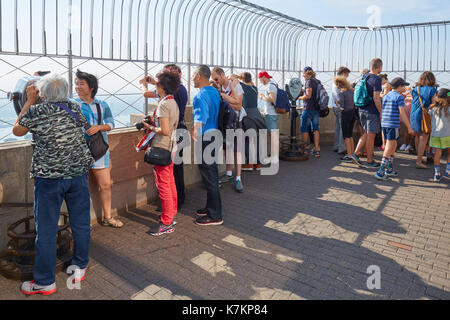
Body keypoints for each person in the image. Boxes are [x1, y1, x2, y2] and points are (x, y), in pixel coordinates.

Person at [13, 73, 94, 296]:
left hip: (49, 179)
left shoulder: (37, 111)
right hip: (78, 174)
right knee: (81, 224)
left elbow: (17, 130)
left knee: (46, 231)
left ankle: (44, 282)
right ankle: (80, 266)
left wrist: (29, 101)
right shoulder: (75, 107)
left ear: (42, 92)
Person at [75, 70, 122, 228]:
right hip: (78, 151)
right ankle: (81, 222)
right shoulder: (73, 104)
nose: (77, 87)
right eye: (76, 83)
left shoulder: (102, 105)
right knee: (78, 188)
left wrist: (99, 127)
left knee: (105, 184)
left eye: (81, 84)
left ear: (91, 87)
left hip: (99, 149)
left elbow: (111, 124)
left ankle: (108, 217)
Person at [140, 64, 188, 210]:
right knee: (176, 169)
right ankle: (178, 200)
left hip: (170, 133)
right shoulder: (182, 89)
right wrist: (156, 83)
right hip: (180, 129)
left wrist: (143, 84)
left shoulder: (168, 98)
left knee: (170, 173)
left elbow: (146, 94)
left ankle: (172, 204)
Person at [141, 72, 180, 235]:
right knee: (170, 182)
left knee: (163, 185)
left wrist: (148, 127)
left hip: (162, 147)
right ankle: (171, 214)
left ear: (163, 87)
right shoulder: (172, 101)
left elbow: (164, 130)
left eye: (157, 84)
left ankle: (167, 222)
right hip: (171, 147)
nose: (155, 86)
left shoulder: (164, 105)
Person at [192, 65, 223, 226]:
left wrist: (194, 133)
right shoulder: (214, 92)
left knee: (209, 177)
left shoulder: (199, 96)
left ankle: (215, 215)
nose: (191, 78)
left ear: (198, 76)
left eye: (193, 75)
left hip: (205, 137)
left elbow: (200, 119)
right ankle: (210, 207)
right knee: (212, 174)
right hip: (215, 134)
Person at [212, 67, 246, 193]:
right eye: (214, 80)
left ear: (222, 75)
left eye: (216, 79)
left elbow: (239, 105)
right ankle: (229, 173)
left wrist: (225, 101)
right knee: (228, 149)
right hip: (226, 122)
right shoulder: (220, 87)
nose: (215, 81)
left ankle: (238, 178)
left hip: (237, 122)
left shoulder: (236, 85)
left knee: (237, 151)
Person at [375, 78, 414, 181]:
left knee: (393, 145)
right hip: (393, 124)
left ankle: (389, 169)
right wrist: (409, 126)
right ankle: (381, 171)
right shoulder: (399, 97)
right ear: (400, 86)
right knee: (390, 146)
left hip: (385, 123)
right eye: (404, 86)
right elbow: (402, 113)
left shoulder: (387, 95)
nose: (405, 88)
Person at [352, 58, 384, 168]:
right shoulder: (377, 79)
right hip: (372, 111)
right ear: (379, 67)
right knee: (371, 136)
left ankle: (355, 154)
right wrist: (381, 112)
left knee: (365, 133)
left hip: (361, 109)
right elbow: (376, 97)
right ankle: (370, 161)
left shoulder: (364, 77)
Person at [238, 72, 266, 171]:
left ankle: (249, 164)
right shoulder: (255, 88)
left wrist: (239, 77)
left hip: (248, 115)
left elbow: (232, 78)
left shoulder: (243, 87)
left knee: (247, 139)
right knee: (257, 139)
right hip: (256, 115)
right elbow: (251, 83)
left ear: (242, 79)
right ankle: (257, 164)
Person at [410, 71, 438, 169]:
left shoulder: (416, 89)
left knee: (418, 136)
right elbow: (434, 104)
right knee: (424, 137)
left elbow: (414, 99)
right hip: (424, 115)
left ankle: (419, 158)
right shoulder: (433, 90)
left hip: (414, 113)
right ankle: (419, 161)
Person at [428, 88, 450, 181]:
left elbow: (430, 119)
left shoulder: (432, 108)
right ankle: (448, 172)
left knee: (437, 153)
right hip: (447, 134)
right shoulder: (449, 109)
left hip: (435, 134)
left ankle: (437, 174)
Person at [299, 67, 321, 158]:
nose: (302, 75)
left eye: (303, 73)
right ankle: (316, 149)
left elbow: (308, 96)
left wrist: (299, 97)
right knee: (315, 129)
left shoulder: (309, 81)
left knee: (304, 129)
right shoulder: (317, 81)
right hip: (316, 109)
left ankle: (305, 148)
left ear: (307, 73)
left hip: (308, 109)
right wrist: (304, 90)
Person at [258, 71, 279, 164]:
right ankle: (274, 156)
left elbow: (272, 99)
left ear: (263, 77)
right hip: (271, 113)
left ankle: (275, 157)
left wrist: (262, 97)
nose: (260, 82)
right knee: (272, 135)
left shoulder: (270, 86)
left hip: (270, 114)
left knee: (273, 135)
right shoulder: (272, 85)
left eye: (260, 79)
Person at [334, 76, 356, 163]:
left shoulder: (341, 92)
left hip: (346, 114)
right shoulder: (351, 90)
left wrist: (337, 103)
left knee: (346, 136)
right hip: (352, 113)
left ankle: (349, 155)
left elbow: (342, 108)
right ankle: (352, 153)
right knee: (350, 135)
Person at [332, 67, 351, 155]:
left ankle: (336, 146)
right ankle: (341, 148)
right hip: (340, 107)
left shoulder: (334, 82)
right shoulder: (340, 83)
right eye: (347, 74)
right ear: (343, 73)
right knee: (342, 128)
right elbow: (341, 96)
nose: (347, 76)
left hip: (334, 107)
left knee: (337, 127)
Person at [379, 74, 392, 151]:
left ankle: (384, 144)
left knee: (384, 128)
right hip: (386, 107)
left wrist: (378, 94)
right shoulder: (387, 85)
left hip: (385, 108)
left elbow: (385, 95)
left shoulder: (386, 85)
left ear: (383, 79)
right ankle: (385, 144)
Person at [399, 87, 414, 152]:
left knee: (412, 131)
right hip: (406, 114)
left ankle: (410, 144)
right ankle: (405, 144)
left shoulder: (416, 95)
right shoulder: (406, 94)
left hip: (412, 114)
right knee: (406, 130)